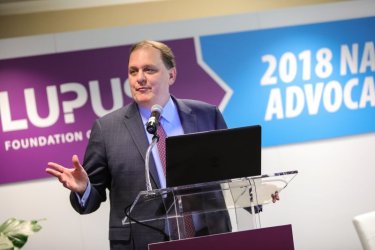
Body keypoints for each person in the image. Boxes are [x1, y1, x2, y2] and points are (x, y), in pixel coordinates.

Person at [45, 40, 239, 250]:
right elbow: (91, 200)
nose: (140, 78)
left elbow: (234, 173)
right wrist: (84, 189)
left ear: (171, 75)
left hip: (210, 238)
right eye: (133, 71)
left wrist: (259, 194)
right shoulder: (107, 129)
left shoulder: (206, 115)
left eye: (149, 70)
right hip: (142, 244)